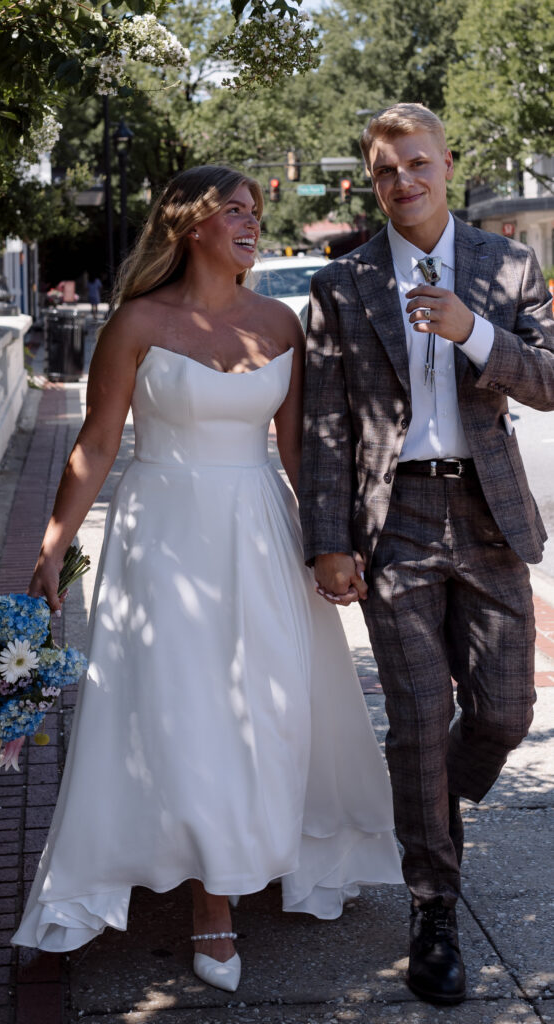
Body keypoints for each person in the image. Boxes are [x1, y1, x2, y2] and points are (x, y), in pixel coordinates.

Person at [11, 165, 402, 991]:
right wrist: (52, 546)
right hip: (163, 534)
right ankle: (209, 903)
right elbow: (97, 445)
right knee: (181, 706)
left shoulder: (282, 327)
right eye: (233, 210)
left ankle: (252, 852)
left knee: (265, 702)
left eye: (254, 211)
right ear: (190, 226)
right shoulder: (136, 324)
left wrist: (331, 544)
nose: (250, 222)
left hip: (257, 527)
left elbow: (298, 453)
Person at [299, 104, 554, 1007]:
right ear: (368, 180)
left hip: (487, 515)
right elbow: (323, 434)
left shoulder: (507, 264)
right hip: (394, 520)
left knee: (503, 711)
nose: (401, 181)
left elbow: (552, 378)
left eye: (415, 163)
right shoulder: (342, 284)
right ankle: (433, 908)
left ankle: (429, 799)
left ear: (447, 162)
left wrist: (471, 332)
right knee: (414, 719)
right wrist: (326, 542)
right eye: (382, 170)